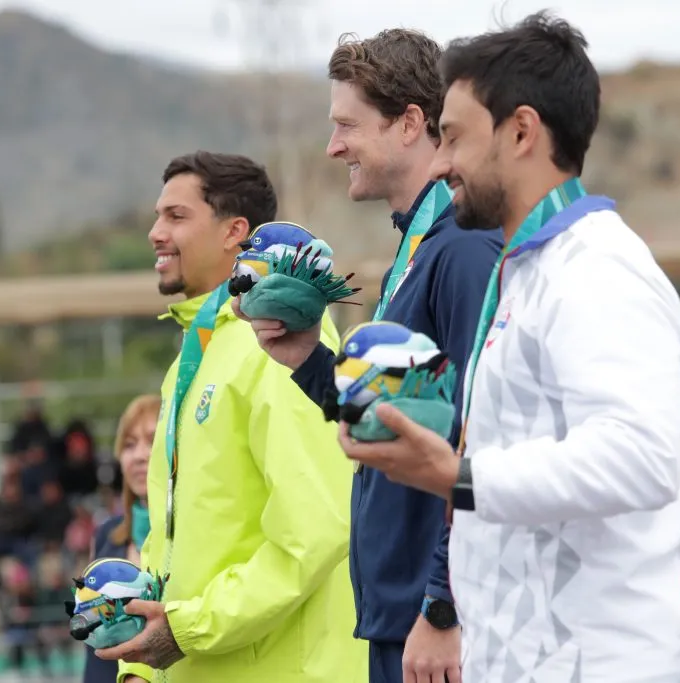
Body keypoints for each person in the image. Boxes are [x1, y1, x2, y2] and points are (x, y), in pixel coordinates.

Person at [338, 12, 680, 681]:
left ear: (522, 131)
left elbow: (645, 458)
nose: (440, 163)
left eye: (453, 138)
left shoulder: (598, 270)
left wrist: (457, 475)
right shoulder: (527, 268)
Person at [234, 29, 500, 683]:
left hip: (429, 620)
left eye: (347, 125)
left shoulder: (462, 250)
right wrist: (302, 354)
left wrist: (443, 604)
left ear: (411, 123)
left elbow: (480, 431)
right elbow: (390, 421)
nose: (333, 147)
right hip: (394, 614)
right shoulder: (417, 249)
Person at [96, 151, 366, 682]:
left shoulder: (278, 340)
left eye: (176, 216)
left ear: (234, 232)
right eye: (157, 215)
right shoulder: (194, 356)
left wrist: (185, 630)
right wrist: (142, 669)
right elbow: (169, 540)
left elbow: (314, 531)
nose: (155, 232)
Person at [83, 393, 160, 683]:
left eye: (151, 441)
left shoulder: (192, 534)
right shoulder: (107, 534)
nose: (140, 455)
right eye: (129, 444)